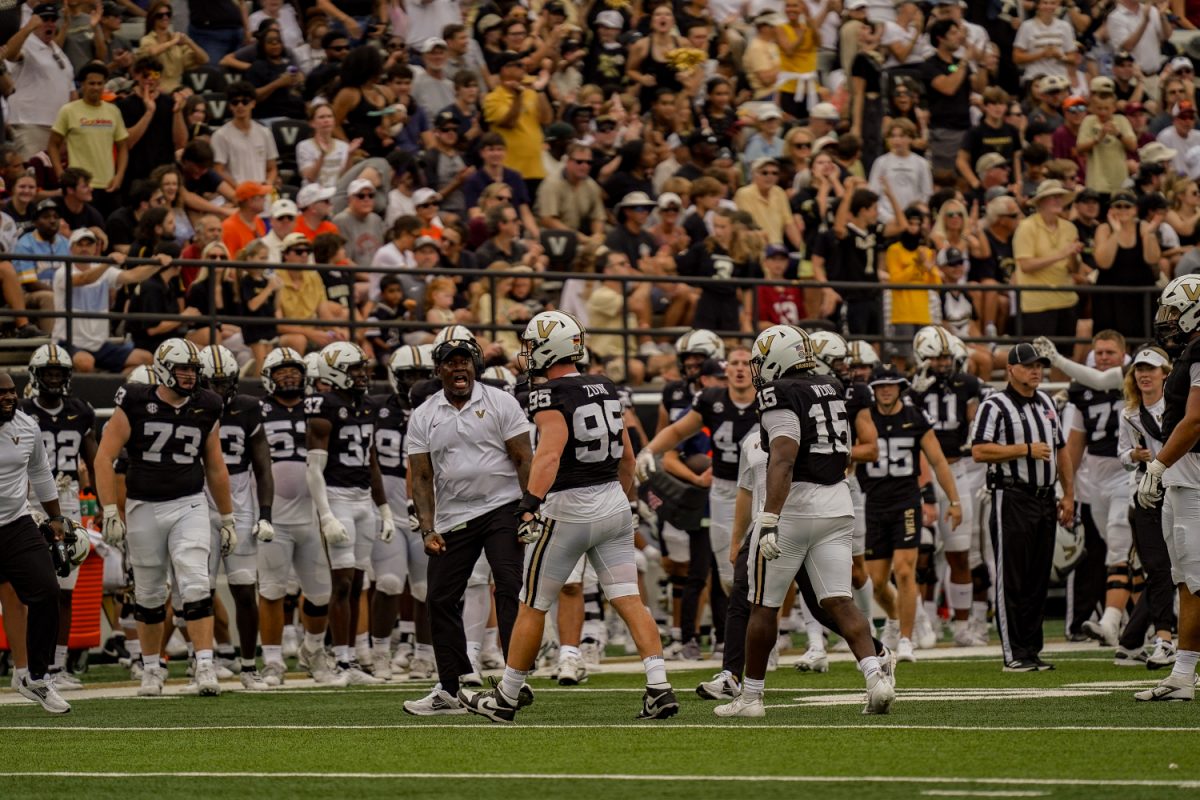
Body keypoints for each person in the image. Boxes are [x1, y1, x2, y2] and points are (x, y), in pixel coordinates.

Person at [464, 311, 679, 722]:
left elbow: (549, 453)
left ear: (549, 348)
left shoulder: (548, 395)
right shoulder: (606, 387)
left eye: (531, 345)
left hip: (569, 508)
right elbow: (627, 457)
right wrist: (628, 502)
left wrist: (529, 502)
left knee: (531, 603)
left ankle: (506, 697)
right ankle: (659, 687)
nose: (526, 354)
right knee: (629, 599)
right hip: (614, 503)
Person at [714, 325, 894, 717]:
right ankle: (875, 676)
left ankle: (752, 697)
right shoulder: (830, 385)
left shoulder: (778, 393)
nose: (759, 369)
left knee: (763, 604)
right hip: (837, 500)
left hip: (796, 504)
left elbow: (783, 456)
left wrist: (768, 517)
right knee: (839, 601)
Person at [94, 339, 235, 697]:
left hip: (189, 502)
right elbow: (103, 457)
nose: (189, 375)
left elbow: (216, 467)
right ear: (162, 368)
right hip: (143, 506)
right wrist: (110, 508)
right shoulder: (136, 400)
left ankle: (204, 664)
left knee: (195, 581)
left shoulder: (208, 404)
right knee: (150, 593)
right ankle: (152, 668)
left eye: (193, 369)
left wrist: (228, 516)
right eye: (181, 368)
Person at [404, 333, 534, 715]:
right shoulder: (425, 413)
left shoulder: (500, 400)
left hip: (502, 507)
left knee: (509, 587)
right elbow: (422, 476)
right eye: (450, 361)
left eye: (464, 360)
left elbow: (523, 458)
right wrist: (428, 528)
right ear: (439, 369)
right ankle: (449, 687)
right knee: (440, 597)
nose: (458, 366)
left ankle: (513, 682)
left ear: (474, 365)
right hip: (454, 514)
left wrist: (529, 508)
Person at [637, 348, 759, 652]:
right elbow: (677, 430)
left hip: (762, 490)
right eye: (735, 363)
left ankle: (760, 643)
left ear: (756, 370)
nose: (740, 369)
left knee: (763, 573)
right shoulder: (711, 401)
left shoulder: (770, 400)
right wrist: (648, 451)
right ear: (726, 370)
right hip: (722, 489)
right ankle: (738, 642)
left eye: (746, 363)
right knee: (728, 577)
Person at [972, 342, 1074, 672]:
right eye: (1029, 365)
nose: (1036, 370)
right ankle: (1013, 653)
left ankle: (1032, 649)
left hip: (1045, 497)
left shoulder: (1046, 402)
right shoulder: (995, 405)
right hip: (1011, 496)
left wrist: (1068, 494)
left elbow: (1062, 451)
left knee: (1037, 577)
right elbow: (979, 451)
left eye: (1039, 365)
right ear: (1011, 370)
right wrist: (1023, 449)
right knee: (1012, 576)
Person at [858, 364, 962, 663]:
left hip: (905, 501)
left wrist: (953, 501)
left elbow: (939, 461)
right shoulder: (864, 417)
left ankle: (905, 639)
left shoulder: (914, 416)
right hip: (873, 503)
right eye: (880, 385)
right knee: (875, 582)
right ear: (873, 389)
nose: (886, 390)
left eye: (891, 384)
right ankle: (894, 620)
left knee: (905, 570)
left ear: (900, 387)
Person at [304, 341, 391, 685]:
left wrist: (383, 508)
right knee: (340, 583)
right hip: (337, 497)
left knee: (358, 583)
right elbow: (313, 469)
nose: (362, 375)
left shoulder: (367, 406)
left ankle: (352, 658)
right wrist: (325, 515)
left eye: (362, 368)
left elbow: (371, 461)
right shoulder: (324, 406)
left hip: (362, 500)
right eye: (355, 369)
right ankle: (339, 660)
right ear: (335, 372)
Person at [256, 346, 338, 686]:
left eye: (295, 371)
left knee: (320, 593)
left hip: (311, 514)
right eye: (281, 372)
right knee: (273, 591)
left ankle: (313, 651)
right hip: (274, 516)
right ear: (267, 377)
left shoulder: (315, 408)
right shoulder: (258, 411)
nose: (289, 376)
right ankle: (273, 661)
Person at [197, 345, 275, 691]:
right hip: (197, 505)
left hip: (240, 508)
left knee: (245, 590)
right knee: (199, 590)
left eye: (225, 382)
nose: (219, 389)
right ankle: (202, 663)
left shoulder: (247, 407)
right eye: (212, 382)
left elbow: (262, 463)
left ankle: (247, 665)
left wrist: (266, 513)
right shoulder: (188, 408)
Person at [19, 344, 96, 688]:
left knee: (65, 585)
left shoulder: (81, 411)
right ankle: (26, 663)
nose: (53, 380)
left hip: (67, 500)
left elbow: (94, 460)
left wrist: (102, 504)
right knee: (30, 587)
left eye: (58, 374)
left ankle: (58, 665)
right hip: (28, 499)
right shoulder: (20, 412)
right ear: (35, 377)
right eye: (47, 373)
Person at [0, 370, 74, 713]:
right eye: (1, 393)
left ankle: (38, 677)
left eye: (11, 392)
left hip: (16, 523)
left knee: (47, 590)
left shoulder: (26, 426)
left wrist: (56, 518)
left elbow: (40, 472)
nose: (9, 398)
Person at [910, 326, 988, 645]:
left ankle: (962, 626)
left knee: (959, 554)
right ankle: (920, 622)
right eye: (936, 358)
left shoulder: (966, 384)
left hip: (956, 470)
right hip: (921, 475)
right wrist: (913, 395)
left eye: (946, 357)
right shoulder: (909, 387)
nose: (943, 364)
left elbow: (974, 420)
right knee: (918, 554)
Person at [1114, 345, 1176, 668]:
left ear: (1165, 374)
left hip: (1177, 490)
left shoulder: (1177, 406)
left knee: (1169, 569)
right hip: (1145, 494)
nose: (1143, 375)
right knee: (1158, 567)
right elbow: (1123, 455)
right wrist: (1133, 457)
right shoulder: (1129, 414)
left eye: (1150, 369)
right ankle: (1163, 638)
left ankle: (1130, 640)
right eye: (1139, 369)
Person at [48, 61, 128, 215]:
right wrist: (61, 174)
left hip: (109, 185)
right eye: (91, 83)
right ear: (82, 84)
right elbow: (53, 145)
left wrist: (119, 175)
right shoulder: (68, 110)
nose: (96, 87)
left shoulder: (113, 111)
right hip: (80, 187)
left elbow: (123, 146)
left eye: (100, 83)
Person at [1012, 180, 1081, 351]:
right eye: (1053, 197)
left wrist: (1073, 257)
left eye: (1060, 196)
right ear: (1041, 202)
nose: (1058, 200)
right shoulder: (1026, 227)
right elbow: (1025, 265)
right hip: (1037, 304)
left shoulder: (1070, 228)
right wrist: (1061, 254)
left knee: (1064, 358)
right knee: (1036, 358)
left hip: (1066, 300)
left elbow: (1074, 269)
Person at [211, 80, 279, 187]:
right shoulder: (220, 135)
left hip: (261, 196)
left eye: (245, 101)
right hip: (236, 195)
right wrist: (241, 190)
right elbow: (219, 170)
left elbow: (272, 168)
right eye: (235, 102)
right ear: (230, 106)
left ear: (253, 103)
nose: (240, 106)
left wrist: (268, 184)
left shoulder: (265, 133)